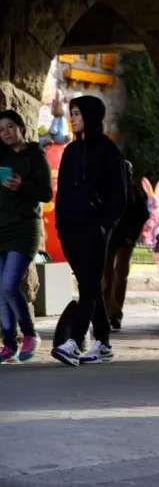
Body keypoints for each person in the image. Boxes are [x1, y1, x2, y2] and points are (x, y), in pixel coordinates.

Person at [51, 96, 128, 366]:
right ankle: (104, 343)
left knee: (88, 286)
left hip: (95, 229)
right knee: (91, 285)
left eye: (77, 114)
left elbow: (119, 195)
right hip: (70, 229)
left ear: (91, 116)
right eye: (71, 113)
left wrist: (103, 224)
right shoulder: (71, 151)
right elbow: (63, 193)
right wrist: (61, 225)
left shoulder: (109, 150)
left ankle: (74, 340)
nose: (73, 118)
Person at [0, 110, 53, 364]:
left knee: (10, 283)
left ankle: (30, 334)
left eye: (10, 127)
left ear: (21, 127)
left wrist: (23, 186)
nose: (6, 133)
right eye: (1, 130)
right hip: (1, 227)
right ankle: (9, 344)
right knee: (1, 290)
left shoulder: (35, 155)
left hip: (24, 229)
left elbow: (46, 193)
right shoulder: (2, 157)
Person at [103, 160, 150, 331]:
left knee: (119, 276)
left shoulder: (133, 193)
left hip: (124, 240)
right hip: (109, 239)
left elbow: (142, 215)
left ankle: (115, 314)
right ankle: (106, 312)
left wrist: (132, 236)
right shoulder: (108, 191)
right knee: (106, 277)